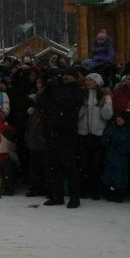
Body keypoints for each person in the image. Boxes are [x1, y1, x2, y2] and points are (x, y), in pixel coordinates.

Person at [43, 69, 83, 208]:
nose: (65, 78)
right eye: (64, 75)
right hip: (52, 131)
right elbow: (43, 101)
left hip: (67, 132)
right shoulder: (56, 89)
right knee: (54, 166)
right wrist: (49, 86)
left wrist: (56, 87)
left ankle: (74, 197)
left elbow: (66, 103)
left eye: (69, 76)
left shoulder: (77, 91)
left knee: (69, 166)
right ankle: (57, 195)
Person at [77, 73, 113, 200]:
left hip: (97, 134)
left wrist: (103, 105)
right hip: (83, 134)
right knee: (84, 163)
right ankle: (84, 189)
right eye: (86, 80)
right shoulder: (82, 95)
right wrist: (82, 106)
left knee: (96, 164)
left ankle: (95, 189)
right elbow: (78, 116)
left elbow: (107, 116)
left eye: (90, 80)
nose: (87, 82)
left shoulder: (105, 96)